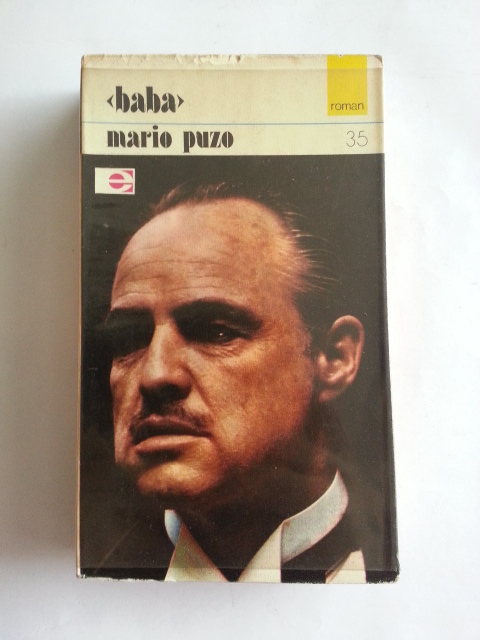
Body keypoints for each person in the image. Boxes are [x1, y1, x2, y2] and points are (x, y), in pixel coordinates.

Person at [102, 181, 365, 583]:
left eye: (216, 332)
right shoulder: (87, 578)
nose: (155, 375)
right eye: (129, 339)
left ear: (334, 359)